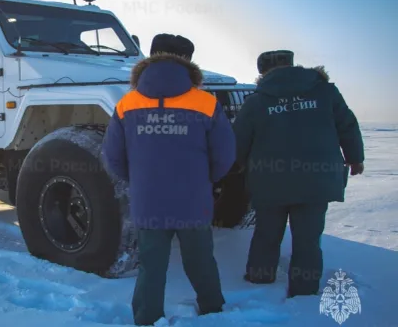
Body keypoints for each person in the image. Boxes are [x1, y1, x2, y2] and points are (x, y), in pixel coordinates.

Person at [101, 34, 235, 325]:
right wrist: (205, 180)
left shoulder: (127, 104)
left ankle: (147, 317)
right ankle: (213, 311)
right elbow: (225, 154)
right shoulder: (206, 103)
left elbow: (112, 157)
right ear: (188, 63)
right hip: (194, 201)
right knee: (200, 261)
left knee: (151, 265)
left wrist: (139, 179)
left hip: (149, 201)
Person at [233, 50, 365, 298]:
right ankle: (304, 291)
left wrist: (237, 166)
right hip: (316, 181)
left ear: (262, 72)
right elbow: (347, 124)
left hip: (269, 181)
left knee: (267, 235)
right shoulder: (325, 92)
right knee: (308, 239)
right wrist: (355, 158)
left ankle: (259, 280)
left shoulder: (257, 100)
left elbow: (240, 139)